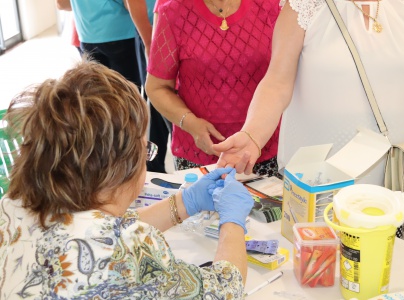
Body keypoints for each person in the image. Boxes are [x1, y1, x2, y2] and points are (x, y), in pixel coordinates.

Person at [0, 60, 254, 299]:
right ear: (118, 167)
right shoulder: (128, 248)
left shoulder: (13, 204)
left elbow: (99, 227)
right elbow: (224, 291)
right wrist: (233, 221)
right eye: (144, 150)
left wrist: (184, 203)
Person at [213, 0, 404, 217]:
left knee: (376, 259)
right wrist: (253, 134)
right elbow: (276, 82)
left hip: (391, 186)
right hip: (318, 185)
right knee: (316, 260)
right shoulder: (304, 7)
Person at [145, 0, 281, 177]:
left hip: (265, 147)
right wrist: (191, 124)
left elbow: (285, 76)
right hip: (200, 155)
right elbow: (157, 87)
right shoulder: (172, 12)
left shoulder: (272, 5)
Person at [125, 0, 173, 173]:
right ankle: (152, 166)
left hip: (171, 29)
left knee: (160, 108)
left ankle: (153, 165)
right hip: (158, 32)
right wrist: (148, 41)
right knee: (159, 100)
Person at [56, 0, 141, 87]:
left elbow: (61, 4)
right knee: (127, 90)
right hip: (120, 32)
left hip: (87, 35)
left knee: (98, 91)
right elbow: (130, 4)